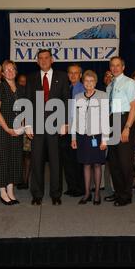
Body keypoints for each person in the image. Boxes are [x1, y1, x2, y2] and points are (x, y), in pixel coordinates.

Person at [25, 49, 69, 206]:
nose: (43, 61)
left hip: (55, 126)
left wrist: (64, 123)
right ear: (37, 61)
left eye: (46, 58)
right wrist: (28, 124)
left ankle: (56, 194)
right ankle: (37, 194)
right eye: (40, 58)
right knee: (36, 161)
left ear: (52, 60)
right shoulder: (31, 78)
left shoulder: (62, 77)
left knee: (56, 161)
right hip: (36, 126)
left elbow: (65, 100)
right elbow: (28, 101)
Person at [71, 70, 109, 205]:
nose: (89, 83)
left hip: (97, 136)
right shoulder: (78, 97)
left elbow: (105, 119)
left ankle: (97, 193)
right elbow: (74, 118)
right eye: (86, 81)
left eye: (91, 81)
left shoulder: (103, 96)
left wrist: (105, 139)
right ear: (83, 82)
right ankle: (87, 193)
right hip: (82, 136)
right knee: (86, 165)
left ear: (95, 82)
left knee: (97, 165)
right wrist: (73, 137)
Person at [105, 56, 135, 206]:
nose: (115, 68)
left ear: (123, 67)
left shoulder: (130, 83)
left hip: (124, 121)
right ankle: (118, 193)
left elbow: (134, 106)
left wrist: (127, 128)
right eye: (112, 66)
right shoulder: (109, 85)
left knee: (125, 163)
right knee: (114, 162)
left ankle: (126, 196)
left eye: (118, 65)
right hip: (112, 122)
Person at [0, 60, 23, 205]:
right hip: (2, 130)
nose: (10, 72)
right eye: (7, 70)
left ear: (16, 72)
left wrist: (21, 126)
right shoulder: (0, 87)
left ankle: (11, 190)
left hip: (16, 131)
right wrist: (7, 129)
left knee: (14, 159)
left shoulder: (20, 89)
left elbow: (24, 109)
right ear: (3, 73)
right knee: (2, 160)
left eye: (12, 69)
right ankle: (3, 192)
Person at [62, 63, 85, 197]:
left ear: (80, 75)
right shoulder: (67, 88)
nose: (73, 75)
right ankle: (71, 186)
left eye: (76, 73)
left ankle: (80, 188)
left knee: (78, 160)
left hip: (77, 130)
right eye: (70, 73)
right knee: (67, 160)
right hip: (66, 130)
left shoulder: (82, 89)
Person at [16, 73, 31, 190]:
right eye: (20, 81)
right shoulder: (15, 93)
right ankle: (19, 179)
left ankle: (25, 180)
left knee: (27, 156)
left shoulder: (31, 94)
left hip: (27, 129)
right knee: (18, 156)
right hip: (16, 128)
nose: (23, 84)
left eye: (25, 81)